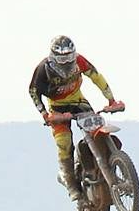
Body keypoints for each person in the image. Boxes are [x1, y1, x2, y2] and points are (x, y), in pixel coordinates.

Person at [29, 35, 125, 200]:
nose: (66, 62)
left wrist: (111, 100)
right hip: (57, 108)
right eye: (62, 58)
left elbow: (96, 76)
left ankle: (106, 164)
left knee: (96, 127)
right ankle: (70, 182)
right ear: (53, 56)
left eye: (69, 57)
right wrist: (45, 114)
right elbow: (33, 92)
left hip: (78, 101)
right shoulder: (43, 69)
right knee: (64, 141)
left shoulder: (79, 61)